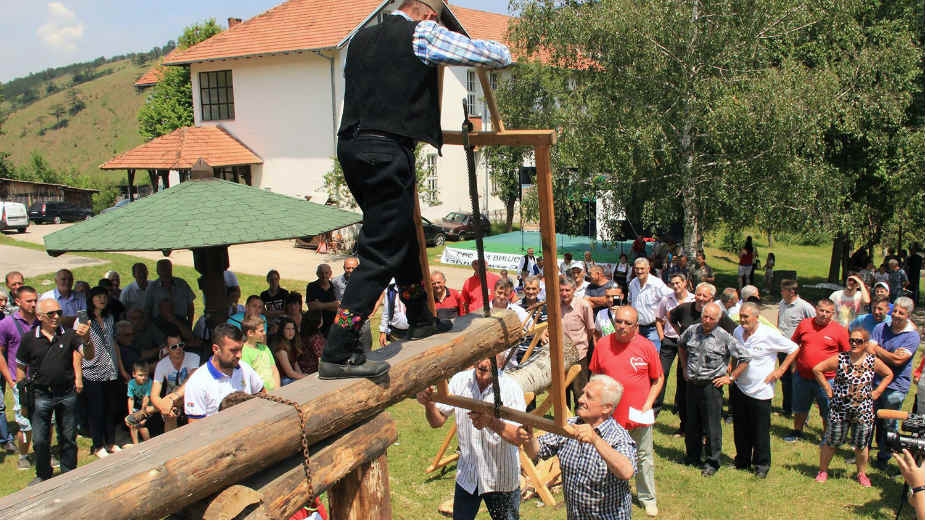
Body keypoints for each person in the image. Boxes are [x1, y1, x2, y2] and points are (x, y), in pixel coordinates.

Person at [323, 0, 506, 380]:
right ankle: (338, 350)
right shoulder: (421, 32)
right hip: (385, 150)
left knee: (402, 229)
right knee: (380, 251)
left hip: (353, 147)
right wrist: (508, 50)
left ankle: (420, 317)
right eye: (437, 19)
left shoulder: (360, 38)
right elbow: (486, 54)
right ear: (427, 12)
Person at [416, 357, 527, 520]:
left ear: (502, 362)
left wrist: (490, 421)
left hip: (500, 478)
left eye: (491, 359)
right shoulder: (460, 381)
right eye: (481, 356)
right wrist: (429, 404)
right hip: (468, 475)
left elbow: (518, 437)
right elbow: (436, 421)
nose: (482, 364)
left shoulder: (511, 388)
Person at [523, 374, 637, 520]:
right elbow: (536, 452)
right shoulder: (569, 426)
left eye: (588, 396)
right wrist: (529, 435)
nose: (580, 399)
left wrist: (595, 439)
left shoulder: (618, 436)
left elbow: (626, 471)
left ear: (606, 408)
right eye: (583, 393)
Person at [589, 306, 663, 517]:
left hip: (638, 415)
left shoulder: (646, 347)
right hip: (609, 418)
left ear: (636, 326)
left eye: (627, 323)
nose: (621, 326)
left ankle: (647, 497)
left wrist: (648, 403)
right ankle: (606, 494)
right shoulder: (603, 344)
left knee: (644, 457)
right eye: (618, 321)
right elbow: (594, 376)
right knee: (606, 456)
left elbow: (658, 379)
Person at [17, 298, 90, 484]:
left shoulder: (70, 335)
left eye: (59, 312)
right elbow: (20, 368)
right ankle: (43, 475)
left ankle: (69, 474)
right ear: (40, 316)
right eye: (51, 313)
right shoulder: (28, 339)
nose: (56, 316)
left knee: (68, 437)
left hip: (66, 393)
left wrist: (88, 338)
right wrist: (22, 397)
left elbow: (89, 355)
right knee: (40, 440)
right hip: (40, 394)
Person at [813, 328, 892, 486]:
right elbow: (817, 369)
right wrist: (828, 389)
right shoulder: (841, 358)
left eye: (858, 341)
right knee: (832, 440)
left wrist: (877, 392)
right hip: (840, 409)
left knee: (861, 444)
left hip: (863, 410)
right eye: (852, 341)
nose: (854, 344)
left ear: (865, 344)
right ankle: (822, 471)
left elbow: (889, 374)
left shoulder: (872, 360)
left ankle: (861, 474)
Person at [678, 302, 750, 476]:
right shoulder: (692, 330)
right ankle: (692, 456)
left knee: (712, 427)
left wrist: (731, 378)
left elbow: (745, 357)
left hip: (711, 386)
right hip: (692, 384)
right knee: (692, 423)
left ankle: (712, 462)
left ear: (718, 320)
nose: (707, 320)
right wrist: (684, 366)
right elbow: (681, 344)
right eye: (705, 316)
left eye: (711, 318)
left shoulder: (724, 337)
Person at [732, 302, 799, 478]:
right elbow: (735, 353)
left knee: (760, 430)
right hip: (739, 386)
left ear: (756, 317)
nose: (742, 320)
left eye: (746, 317)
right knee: (740, 427)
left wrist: (780, 371)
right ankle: (742, 460)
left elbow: (793, 348)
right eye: (741, 316)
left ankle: (761, 465)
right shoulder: (738, 331)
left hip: (761, 390)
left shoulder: (769, 334)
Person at [785, 298, 849, 443]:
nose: (824, 314)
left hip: (828, 379)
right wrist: (793, 365)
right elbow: (793, 345)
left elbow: (847, 355)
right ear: (816, 310)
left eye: (828, 312)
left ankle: (827, 436)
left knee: (827, 409)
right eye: (821, 310)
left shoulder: (839, 330)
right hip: (802, 376)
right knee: (800, 407)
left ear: (833, 314)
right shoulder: (805, 324)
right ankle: (797, 431)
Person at [870, 296, 920, 469]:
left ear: (908, 315)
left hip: (896, 386)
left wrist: (878, 349)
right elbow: (870, 351)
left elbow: (898, 361)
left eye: (901, 313)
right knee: (869, 419)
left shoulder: (912, 337)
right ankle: (863, 453)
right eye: (895, 311)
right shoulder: (880, 327)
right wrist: (888, 355)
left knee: (889, 423)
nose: (897, 315)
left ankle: (884, 457)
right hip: (874, 381)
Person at [82, 286, 129, 458]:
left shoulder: (109, 318)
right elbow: (79, 347)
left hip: (111, 369)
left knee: (111, 408)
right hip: (93, 370)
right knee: (97, 410)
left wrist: (121, 368)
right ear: (91, 299)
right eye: (98, 297)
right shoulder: (85, 320)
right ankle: (97, 445)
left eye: (104, 296)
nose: (102, 299)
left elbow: (114, 343)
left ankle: (111, 442)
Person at [184, 324, 264, 420]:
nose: (239, 355)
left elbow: (262, 396)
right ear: (216, 349)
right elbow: (195, 427)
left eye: (241, 349)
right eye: (233, 350)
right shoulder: (197, 382)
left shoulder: (245, 368)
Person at [0, 286, 40, 467]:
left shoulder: (42, 320)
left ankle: (43, 451)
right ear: (18, 302)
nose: (33, 304)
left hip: (42, 380)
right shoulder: (7, 324)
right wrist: (10, 379)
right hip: (21, 382)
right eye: (29, 301)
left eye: (35, 300)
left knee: (47, 420)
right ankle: (24, 456)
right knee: (25, 424)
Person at [654, 273, 694, 417]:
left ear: (685, 283)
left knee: (682, 375)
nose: (675, 286)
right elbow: (658, 319)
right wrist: (662, 337)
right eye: (673, 283)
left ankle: (679, 407)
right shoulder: (666, 299)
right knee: (661, 373)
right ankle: (656, 407)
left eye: (678, 283)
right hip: (669, 340)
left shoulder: (693, 300)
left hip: (687, 343)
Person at [777, 279, 816, 418]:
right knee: (785, 379)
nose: (781, 292)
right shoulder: (782, 303)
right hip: (782, 348)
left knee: (797, 381)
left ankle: (799, 410)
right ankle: (786, 408)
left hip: (797, 351)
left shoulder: (805, 307)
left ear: (792, 291)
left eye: (783, 290)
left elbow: (815, 325)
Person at [150, 335, 200, 432]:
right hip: (171, 402)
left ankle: (150, 410)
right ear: (167, 349)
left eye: (180, 345)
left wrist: (171, 401)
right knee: (170, 414)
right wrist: (164, 407)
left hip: (189, 396)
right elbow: (154, 395)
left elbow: (192, 381)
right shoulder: (161, 365)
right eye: (174, 347)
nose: (178, 349)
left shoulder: (194, 357)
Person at [561, 276, 595, 408]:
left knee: (579, 391)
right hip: (561, 356)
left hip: (579, 355)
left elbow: (590, 330)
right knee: (562, 392)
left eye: (567, 290)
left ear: (574, 290)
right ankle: (563, 423)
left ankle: (581, 421)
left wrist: (583, 346)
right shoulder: (556, 305)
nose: (564, 293)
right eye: (561, 290)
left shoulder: (584, 305)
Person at [628, 258, 672, 352]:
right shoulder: (633, 283)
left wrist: (665, 318)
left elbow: (670, 298)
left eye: (642, 268)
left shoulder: (656, 283)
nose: (639, 271)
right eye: (637, 268)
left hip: (653, 329)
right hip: (637, 328)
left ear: (648, 269)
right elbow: (630, 302)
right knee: (638, 357)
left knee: (653, 356)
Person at [143, 260, 195, 325]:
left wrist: (189, 324)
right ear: (157, 271)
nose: (165, 270)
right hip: (160, 326)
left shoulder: (182, 284)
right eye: (162, 268)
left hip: (181, 324)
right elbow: (147, 310)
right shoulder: (152, 288)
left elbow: (190, 306)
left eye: (167, 268)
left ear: (171, 269)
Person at [241, 316, 280, 392]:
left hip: (275, 391)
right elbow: (248, 377)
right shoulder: (244, 352)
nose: (264, 333)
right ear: (250, 333)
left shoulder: (265, 348)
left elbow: (274, 369)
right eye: (261, 331)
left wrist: (277, 388)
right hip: (260, 395)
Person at [306, 264, 339, 337]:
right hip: (317, 325)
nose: (324, 276)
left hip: (333, 324)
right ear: (317, 274)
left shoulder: (335, 287)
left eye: (326, 273)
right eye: (321, 273)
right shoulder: (311, 286)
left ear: (330, 273)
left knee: (353, 321)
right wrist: (332, 304)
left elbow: (339, 307)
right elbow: (311, 307)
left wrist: (320, 305)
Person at [126, 361, 153, 445]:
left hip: (149, 407)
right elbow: (131, 399)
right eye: (141, 375)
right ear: (134, 374)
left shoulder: (150, 382)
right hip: (138, 406)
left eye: (146, 375)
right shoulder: (131, 383)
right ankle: (136, 444)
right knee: (132, 423)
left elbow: (146, 399)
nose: (144, 378)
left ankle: (148, 443)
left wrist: (141, 415)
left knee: (141, 425)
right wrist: (131, 415)